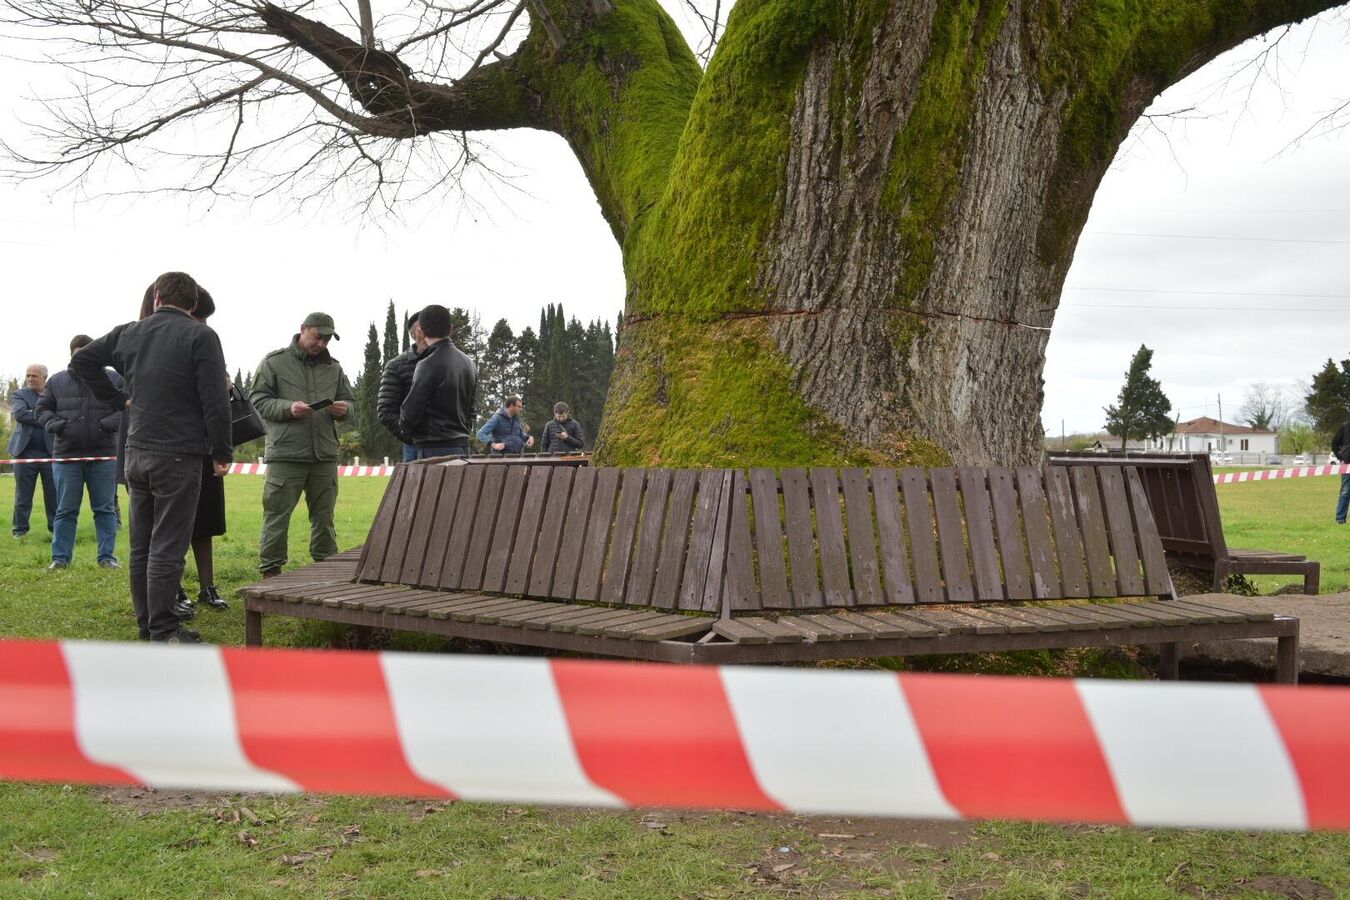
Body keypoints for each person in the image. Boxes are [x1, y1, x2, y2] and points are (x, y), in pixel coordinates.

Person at [71, 271, 232, 643]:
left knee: (141, 545)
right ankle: (165, 630)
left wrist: (117, 399)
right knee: (168, 546)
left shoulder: (129, 331)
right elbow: (215, 400)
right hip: (179, 455)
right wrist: (222, 450)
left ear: (157, 296)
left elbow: (82, 363)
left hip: (136, 453)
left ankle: (148, 626)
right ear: (193, 303)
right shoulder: (201, 335)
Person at [250, 312, 355, 577]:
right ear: (303, 329)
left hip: (324, 456)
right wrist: (288, 408)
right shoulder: (274, 363)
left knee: (325, 518)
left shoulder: (335, 368)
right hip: (286, 455)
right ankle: (271, 575)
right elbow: (258, 400)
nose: (322, 344)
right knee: (276, 516)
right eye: (318, 337)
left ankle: (326, 571)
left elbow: (351, 404)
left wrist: (344, 410)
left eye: (327, 340)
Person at [37, 335, 123, 570]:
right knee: (65, 510)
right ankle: (60, 559)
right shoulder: (56, 381)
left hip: (104, 455)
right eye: (79, 354)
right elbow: (41, 410)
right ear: (71, 354)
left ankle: (107, 557)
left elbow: (126, 409)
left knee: (105, 509)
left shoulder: (114, 379)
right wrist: (58, 425)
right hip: (66, 457)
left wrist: (106, 424)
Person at [173, 289, 230, 615]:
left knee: (204, 522)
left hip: (205, 447)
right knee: (174, 527)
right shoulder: (162, 344)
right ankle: (174, 588)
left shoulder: (204, 341)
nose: (203, 324)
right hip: (176, 449)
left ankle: (207, 586)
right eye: (200, 317)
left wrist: (223, 386)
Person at [399, 304, 478, 459]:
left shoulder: (426, 364)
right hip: (462, 445)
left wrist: (407, 430)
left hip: (433, 447)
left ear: (420, 331)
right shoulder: (469, 363)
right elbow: (471, 410)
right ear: (450, 329)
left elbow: (410, 413)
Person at [8, 364, 56, 538]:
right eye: (27, 375)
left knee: (53, 495)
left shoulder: (54, 394)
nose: (29, 379)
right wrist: (46, 416)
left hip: (50, 454)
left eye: (34, 376)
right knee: (23, 495)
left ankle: (55, 529)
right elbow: (20, 414)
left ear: (45, 378)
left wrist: (35, 413)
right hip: (24, 452)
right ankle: (20, 531)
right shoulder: (20, 394)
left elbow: (60, 416)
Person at [377, 311, 424, 462]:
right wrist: (411, 437)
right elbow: (385, 410)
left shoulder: (454, 362)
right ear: (416, 333)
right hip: (415, 446)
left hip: (452, 443)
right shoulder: (397, 366)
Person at [1333, 421, 1350, 524]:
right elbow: (1334, 443)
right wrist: (1340, 457)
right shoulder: (1345, 427)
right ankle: (1340, 519)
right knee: (1345, 492)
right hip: (1347, 464)